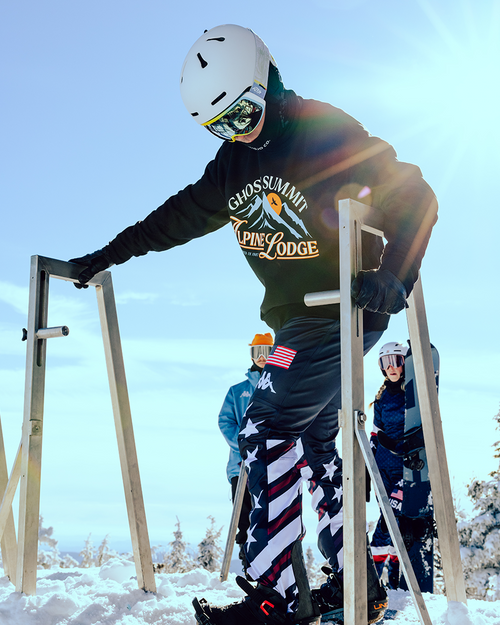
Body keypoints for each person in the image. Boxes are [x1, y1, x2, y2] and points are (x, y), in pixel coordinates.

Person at [68, 24, 438, 625]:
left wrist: (394, 272)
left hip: (343, 306)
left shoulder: (322, 131)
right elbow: (176, 216)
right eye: (222, 126)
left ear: (269, 80)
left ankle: (277, 599)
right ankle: (356, 585)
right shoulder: (234, 165)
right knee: (316, 442)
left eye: (243, 113)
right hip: (297, 321)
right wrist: (112, 252)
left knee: (265, 427)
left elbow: (415, 192)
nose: (240, 131)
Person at [369, 342, 434, 593]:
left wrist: (411, 444)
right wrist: (368, 467)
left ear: (404, 364)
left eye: (396, 361)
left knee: (390, 520)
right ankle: (386, 584)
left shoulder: (411, 394)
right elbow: (375, 433)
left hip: (404, 468)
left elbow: (422, 423)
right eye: (385, 363)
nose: (391, 367)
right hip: (381, 467)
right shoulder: (381, 397)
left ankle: (378, 577)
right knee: (390, 519)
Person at [218, 332, 274, 578]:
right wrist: (241, 445)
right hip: (241, 465)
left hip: (271, 463)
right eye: (256, 352)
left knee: (269, 514)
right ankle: (248, 563)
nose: (261, 357)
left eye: (266, 351)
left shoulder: (279, 386)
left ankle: (270, 565)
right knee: (244, 515)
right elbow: (225, 421)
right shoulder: (237, 391)